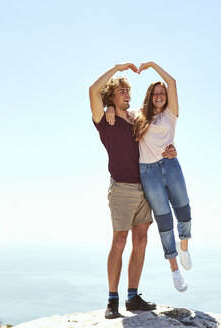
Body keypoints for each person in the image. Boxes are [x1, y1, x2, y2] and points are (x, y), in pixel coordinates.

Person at [89, 63, 177, 319]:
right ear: (111, 97)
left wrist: (172, 149)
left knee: (141, 241)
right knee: (119, 241)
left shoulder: (137, 117)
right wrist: (117, 69)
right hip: (122, 189)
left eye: (128, 90)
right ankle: (112, 300)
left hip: (146, 187)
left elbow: (159, 137)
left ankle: (133, 296)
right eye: (122, 91)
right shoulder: (104, 120)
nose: (128, 94)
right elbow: (93, 89)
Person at [107, 61, 192, 293]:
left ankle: (184, 246)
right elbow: (120, 111)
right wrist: (110, 109)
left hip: (170, 165)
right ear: (149, 96)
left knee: (183, 209)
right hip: (148, 172)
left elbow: (172, 82)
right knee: (164, 220)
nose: (159, 96)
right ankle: (175, 270)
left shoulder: (171, 114)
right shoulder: (138, 115)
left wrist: (153, 66)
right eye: (155, 93)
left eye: (162, 93)